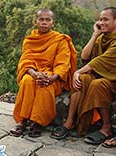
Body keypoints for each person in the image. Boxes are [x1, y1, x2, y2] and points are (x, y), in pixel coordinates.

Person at [51, 7, 116, 145]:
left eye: (106, 19)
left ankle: (106, 128)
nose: (101, 22)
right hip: (100, 75)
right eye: (100, 19)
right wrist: (95, 35)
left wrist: (78, 71)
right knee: (82, 79)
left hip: (112, 79)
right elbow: (85, 56)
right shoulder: (101, 38)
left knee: (96, 84)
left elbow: (101, 60)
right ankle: (69, 123)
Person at [10, 8, 77, 138]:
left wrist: (53, 77)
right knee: (27, 81)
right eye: (41, 19)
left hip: (53, 76)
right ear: (36, 22)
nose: (44, 22)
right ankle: (22, 121)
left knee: (44, 85)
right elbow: (25, 60)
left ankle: (38, 122)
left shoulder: (60, 40)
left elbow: (63, 63)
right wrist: (34, 74)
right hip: (33, 73)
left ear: (53, 23)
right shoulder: (30, 40)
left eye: (48, 20)